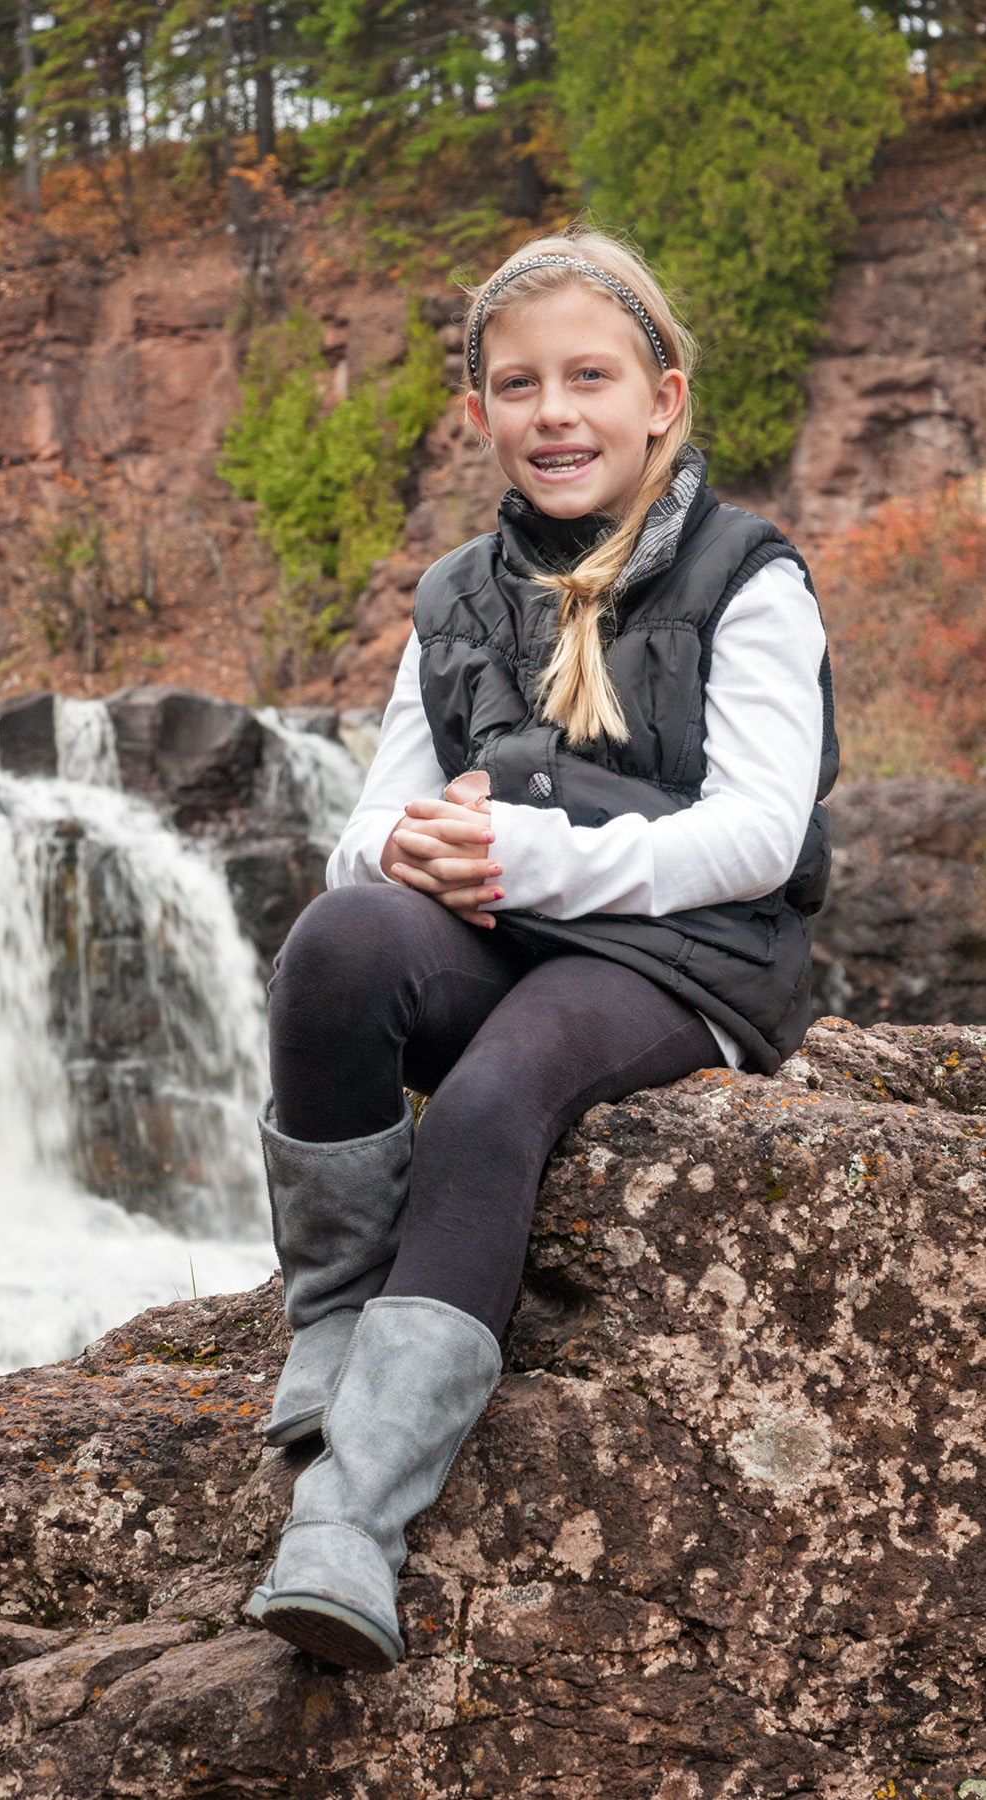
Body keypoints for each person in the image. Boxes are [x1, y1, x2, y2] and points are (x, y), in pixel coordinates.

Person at [245, 228, 838, 1673]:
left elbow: (758, 836)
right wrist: (410, 851)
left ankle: (353, 1521)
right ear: (481, 415)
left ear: (665, 400)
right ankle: (329, 1333)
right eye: (520, 385)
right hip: (506, 923)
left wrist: (532, 857)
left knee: (499, 1097)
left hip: (685, 961)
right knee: (332, 947)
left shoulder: (748, 578)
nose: (555, 412)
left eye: (590, 377)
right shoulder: (453, 598)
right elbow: (362, 827)